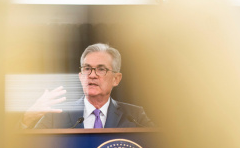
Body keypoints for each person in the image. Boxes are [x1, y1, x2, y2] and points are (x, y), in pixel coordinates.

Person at [22, 43, 154, 129]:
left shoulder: (134, 116)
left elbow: (160, 147)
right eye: (87, 69)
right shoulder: (56, 115)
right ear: (80, 77)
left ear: (116, 79)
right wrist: (27, 119)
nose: (92, 75)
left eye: (101, 69)